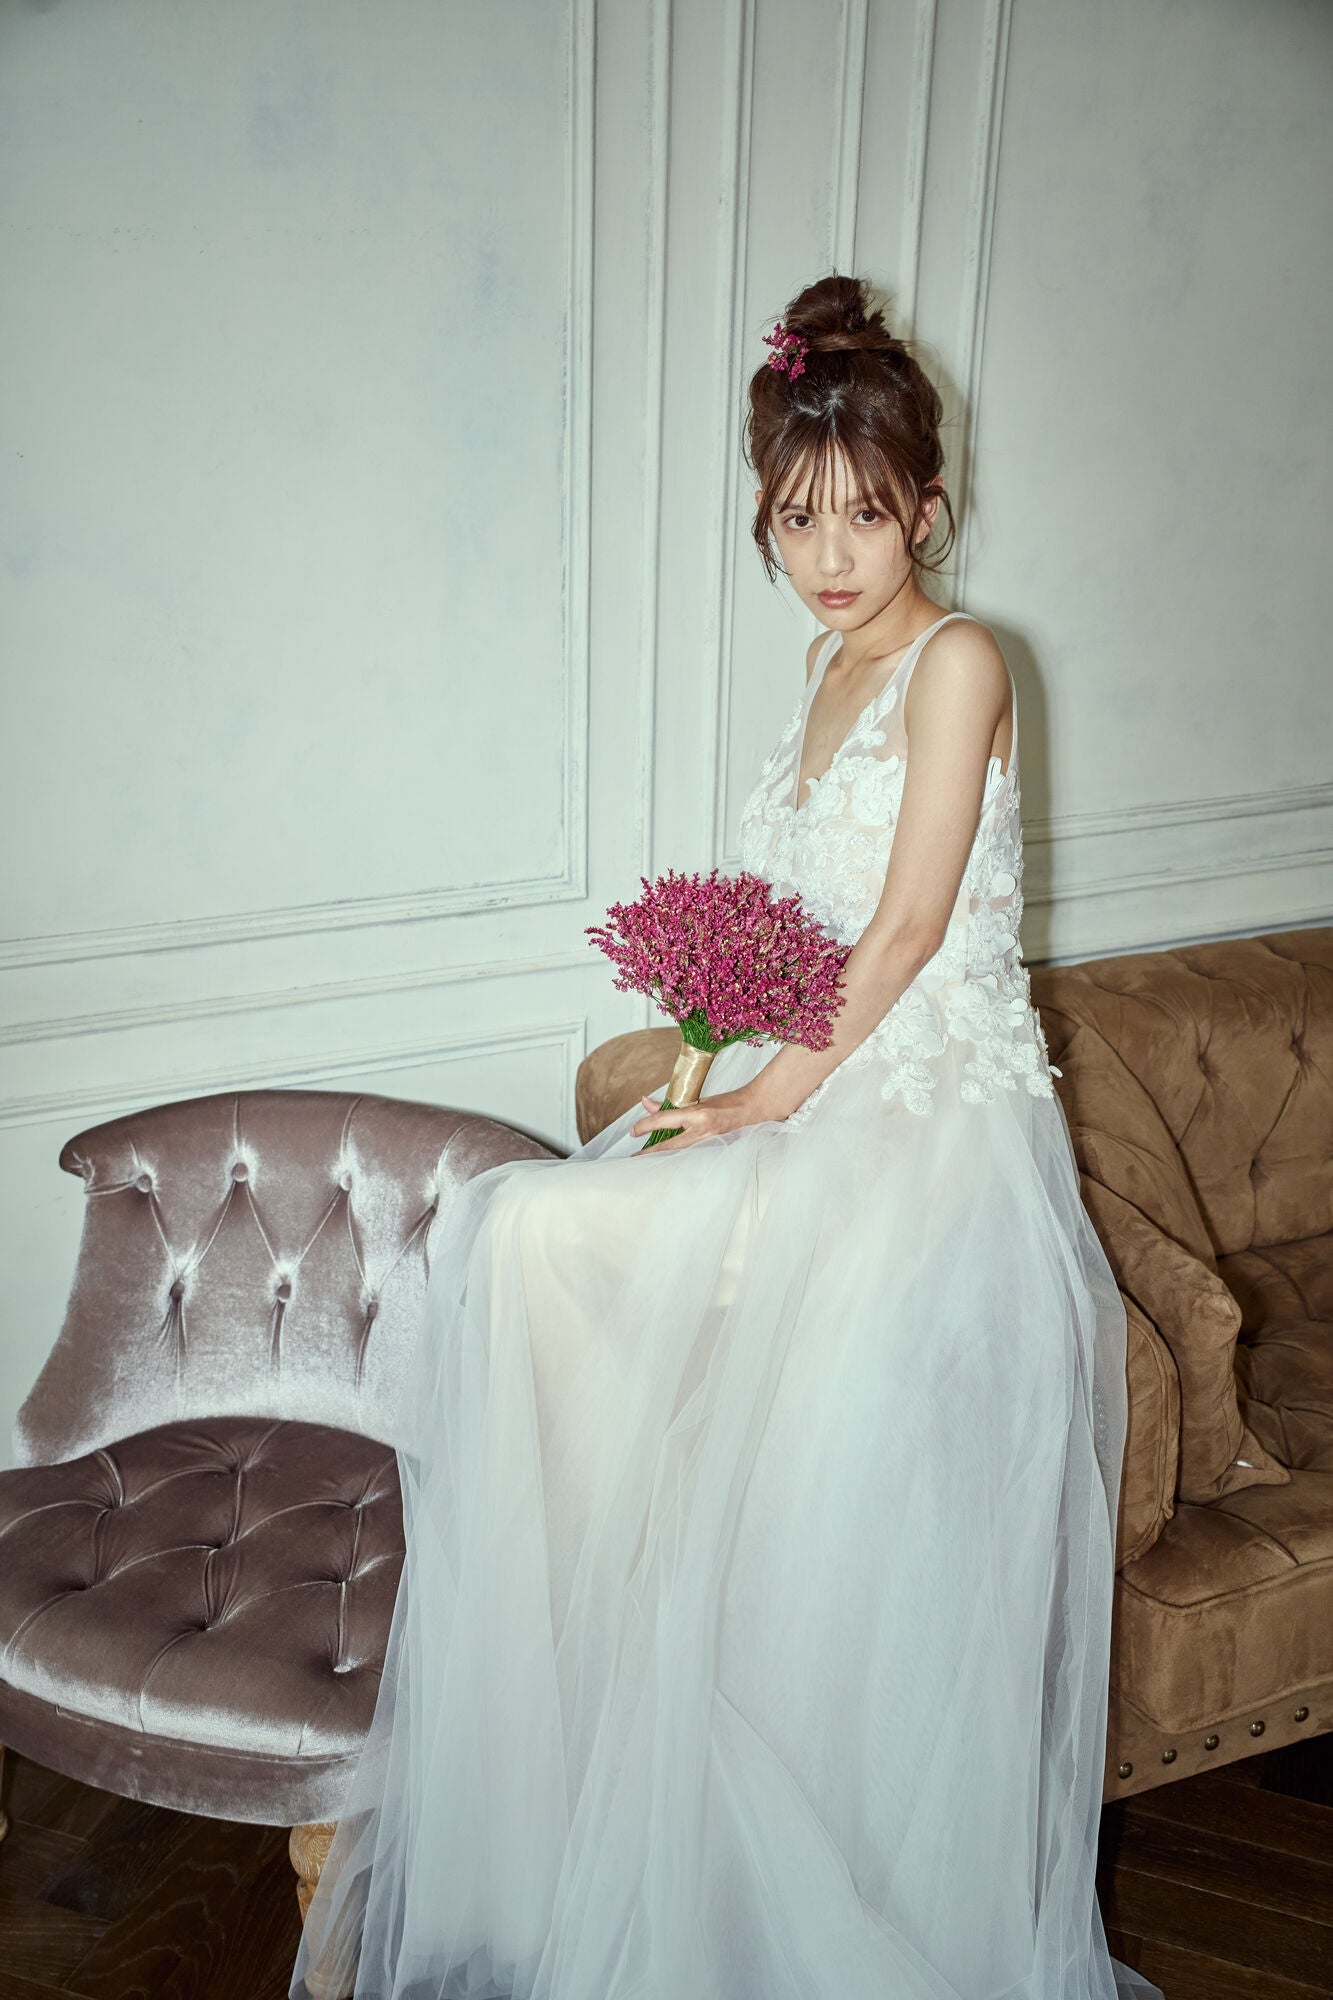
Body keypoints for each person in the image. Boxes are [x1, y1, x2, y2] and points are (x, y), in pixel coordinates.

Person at [290, 272, 1165, 2000]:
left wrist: (765, 1097)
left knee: (544, 1243)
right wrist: (710, 1053)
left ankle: (679, 1749)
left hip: (920, 1123)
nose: (829, 553)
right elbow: (795, 935)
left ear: (929, 507)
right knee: (521, 1239)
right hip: (804, 1074)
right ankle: (598, 1713)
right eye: (794, 518)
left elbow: (902, 934)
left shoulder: (960, 660)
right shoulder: (826, 665)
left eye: (863, 514)